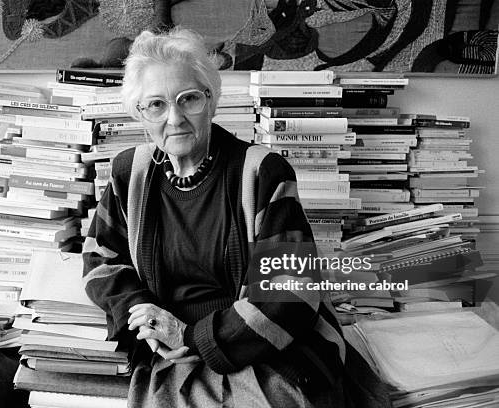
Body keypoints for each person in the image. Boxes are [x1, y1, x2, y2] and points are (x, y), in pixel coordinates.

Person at [82, 27, 350, 407]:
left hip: (264, 348)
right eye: (156, 105)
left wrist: (193, 338)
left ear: (211, 100)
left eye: (187, 99)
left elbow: (290, 290)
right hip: (168, 346)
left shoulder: (263, 171)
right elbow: (100, 261)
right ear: (139, 113)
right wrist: (144, 317)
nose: (174, 118)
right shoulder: (131, 172)